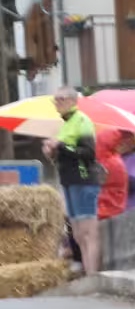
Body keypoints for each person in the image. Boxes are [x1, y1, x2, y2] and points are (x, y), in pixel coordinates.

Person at [41, 88, 102, 274]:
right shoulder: (66, 124)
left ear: (72, 100)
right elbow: (66, 156)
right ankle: (87, 271)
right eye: (55, 100)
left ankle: (93, 274)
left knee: (87, 231)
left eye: (60, 99)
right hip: (69, 181)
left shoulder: (81, 120)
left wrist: (61, 146)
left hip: (83, 180)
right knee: (77, 233)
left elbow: (89, 153)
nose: (56, 103)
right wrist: (52, 153)